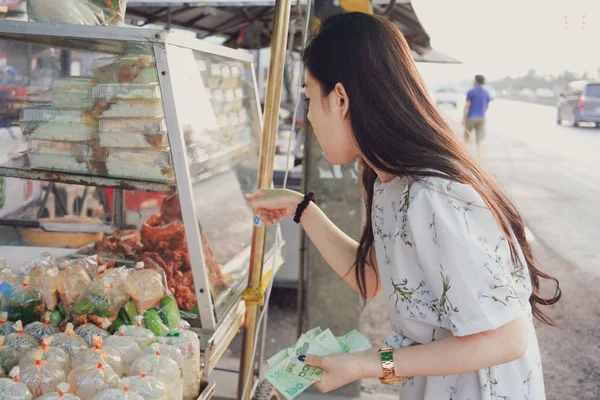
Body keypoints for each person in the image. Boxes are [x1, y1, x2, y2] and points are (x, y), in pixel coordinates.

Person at [246, 13, 561, 400]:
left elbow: (506, 339)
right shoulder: (389, 182)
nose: (308, 118)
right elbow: (372, 278)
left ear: (340, 99)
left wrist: (368, 364)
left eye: (310, 98)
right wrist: (301, 209)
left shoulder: (432, 195)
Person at [464, 75, 491, 160]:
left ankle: (466, 158)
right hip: (481, 117)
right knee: (479, 140)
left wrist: (464, 118)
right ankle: (479, 158)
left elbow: (467, 106)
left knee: (467, 138)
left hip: (471, 117)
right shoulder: (486, 93)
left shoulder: (471, 92)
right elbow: (486, 106)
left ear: (476, 81)